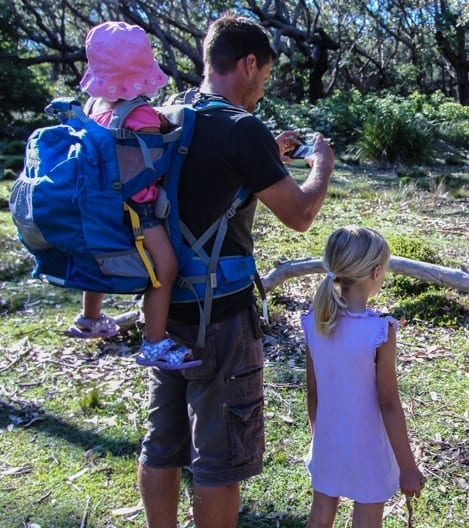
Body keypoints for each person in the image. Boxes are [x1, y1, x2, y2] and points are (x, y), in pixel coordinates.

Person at [136, 13, 335, 528]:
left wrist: (269, 151)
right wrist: (321, 166)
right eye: (264, 77)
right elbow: (299, 214)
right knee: (219, 459)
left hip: (162, 312)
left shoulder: (166, 115)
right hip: (221, 320)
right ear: (248, 64)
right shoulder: (243, 128)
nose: (261, 90)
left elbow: (203, 172)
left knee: (162, 444)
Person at [71, 21, 199, 369]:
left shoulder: (92, 108)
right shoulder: (141, 114)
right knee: (166, 269)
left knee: (99, 260)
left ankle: (90, 317)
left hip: (99, 206)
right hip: (137, 208)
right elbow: (156, 151)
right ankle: (154, 342)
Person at [301, 226, 425, 528]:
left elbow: (313, 393)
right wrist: (408, 468)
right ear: (376, 272)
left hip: (328, 439)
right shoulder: (380, 332)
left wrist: (321, 437)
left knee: (319, 517)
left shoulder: (313, 323)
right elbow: (389, 404)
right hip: (369, 447)